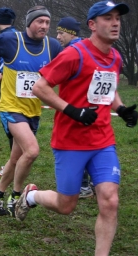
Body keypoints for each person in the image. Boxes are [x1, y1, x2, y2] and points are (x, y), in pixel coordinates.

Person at [18, 2, 138, 256]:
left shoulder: (115, 57)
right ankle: (31, 196)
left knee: (109, 201)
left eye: (118, 18)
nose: (115, 23)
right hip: (70, 142)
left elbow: (109, 88)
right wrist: (71, 110)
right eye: (108, 18)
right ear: (93, 25)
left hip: (103, 141)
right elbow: (40, 87)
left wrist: (121, 108)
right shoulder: (75, 54)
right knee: (66, 205)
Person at [0, 6, 62, 215]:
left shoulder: (52, 46)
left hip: (33, 111)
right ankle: (16, 196)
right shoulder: (11, 41)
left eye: (47, 22)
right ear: (29, 23)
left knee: (16, 158)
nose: (44, 26)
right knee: (32, 151)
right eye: (39, 22)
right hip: (10, 108)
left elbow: (69, 66)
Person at [56, 16, 95, 199]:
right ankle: (93, 182)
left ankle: (84, 185)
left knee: (77, 147)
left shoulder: (74, 51)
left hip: (77, 109)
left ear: (71, 33)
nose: (57, 36)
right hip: (92, 107)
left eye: (60, 33)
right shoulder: (88, 48)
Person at [0, 7, 17, 177]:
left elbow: (6, 60)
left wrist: (2, 75)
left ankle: (12, 167)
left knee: (13, 129)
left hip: (9, 91)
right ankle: (13, 164)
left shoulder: (4, 38)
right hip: (17, 90)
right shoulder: (18, 35)